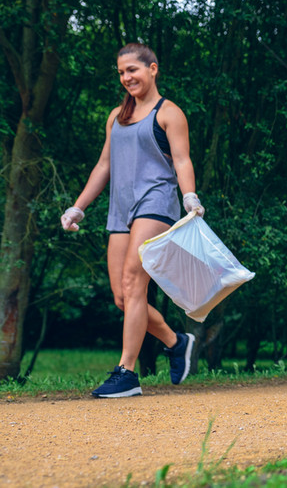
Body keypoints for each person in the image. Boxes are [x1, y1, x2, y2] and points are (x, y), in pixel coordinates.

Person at [61, 43, 205, 398]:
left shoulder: (169, 113)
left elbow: (182, 160)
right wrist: (78, 207)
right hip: (120, 209)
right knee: (123, 297)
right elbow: (104, 166)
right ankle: (176, 342)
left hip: (155, 204)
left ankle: (126, 372)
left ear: (152, 69)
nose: (127, 77)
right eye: (122, 72)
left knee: (133, 281)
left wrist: (189, 196)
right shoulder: (116, 116)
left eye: (133, 70)